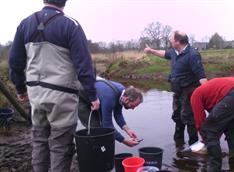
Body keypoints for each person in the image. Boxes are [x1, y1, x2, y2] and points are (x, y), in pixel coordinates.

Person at [9, 0, 100, 171]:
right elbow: (84, 65)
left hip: (35, 94)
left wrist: (20, 88)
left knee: (39, 140)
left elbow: (15, 62)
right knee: (61, 145)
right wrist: (92, 95)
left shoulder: (25, 24)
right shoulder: (70, 25)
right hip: (62, 96)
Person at [144, 31, 207, 145]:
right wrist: (152, 51)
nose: (170, 40)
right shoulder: (174, 52)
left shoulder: (193, 54)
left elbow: (201, 77)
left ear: (178, 41)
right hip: (178, 91)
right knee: (177, 116)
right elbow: (164, 54)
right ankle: (178, 145)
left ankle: (194, 145)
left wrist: (208, 97)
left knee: (189, 118)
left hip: (190, 93)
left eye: (171, 39)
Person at [190, 77, 234, 172]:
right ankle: (233, 163)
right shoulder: (210, 92)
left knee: (208, 130)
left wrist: (205, 139)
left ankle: (214, 169)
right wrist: (213, 136)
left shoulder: (195, 95)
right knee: (231, 129)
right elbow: (219, 122)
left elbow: (200, 121)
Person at [78, 78, 143, 147]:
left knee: (102, 130)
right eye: (133, 105)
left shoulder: (123, 93)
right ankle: (91, 151)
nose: (133, 109)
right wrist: (124, 141)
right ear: (126, 99)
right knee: (95, 129)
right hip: (82, 98)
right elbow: (108, 126)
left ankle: (101, 148)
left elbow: (117, 114)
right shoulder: (109, 98)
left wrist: (128, 130)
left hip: (98, 98)